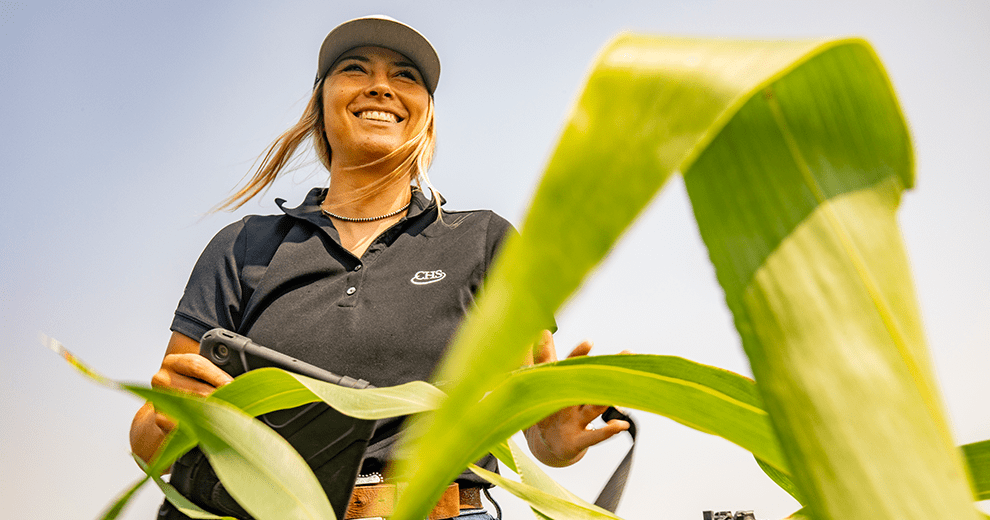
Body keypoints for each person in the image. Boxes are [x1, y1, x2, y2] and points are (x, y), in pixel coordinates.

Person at [129, 15, 629, 520]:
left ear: (426, 116)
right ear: (321, 106)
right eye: (354, 68)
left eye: (406, 76)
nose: (381, 87)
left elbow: (539, 433)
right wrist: (174, 419)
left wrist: (557, 437)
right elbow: (149, 439)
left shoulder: (487, 241)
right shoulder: (241, 246)